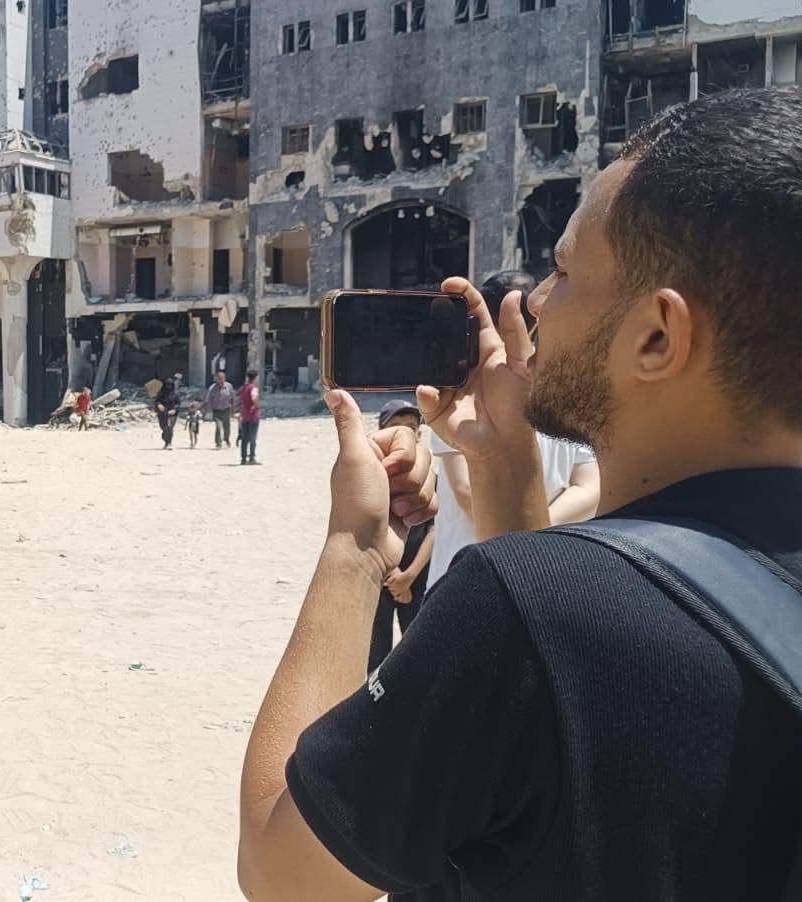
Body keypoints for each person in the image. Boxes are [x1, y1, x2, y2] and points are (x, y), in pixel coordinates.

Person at [239, 88, 802, 900]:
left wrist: (355, 548)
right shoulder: (563, 605)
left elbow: (283, 871)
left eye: (564, 272)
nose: (535, 302)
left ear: (656, 337)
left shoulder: (527, 610)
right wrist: (504, 463)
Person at [424, 272, 601, 589]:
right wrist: (536, 530)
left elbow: (466, 492)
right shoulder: (567, 385)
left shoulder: (461, 390)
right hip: (544, 571)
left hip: (466, 579)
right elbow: (588, 488)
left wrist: (529, 528)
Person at [366, 400, 435, 673]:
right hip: (380, 573)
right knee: (376, 651)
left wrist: (408, 576)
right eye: (396, 427)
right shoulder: (372, 479)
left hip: (417, 575)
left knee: (418, 649)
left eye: (410, 427)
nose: (404, 433)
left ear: (419, 434)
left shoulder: (430, 480)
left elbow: (435, 529)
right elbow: (366, 528)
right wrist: (392, 571)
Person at [203, 371, 237, 449]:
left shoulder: (229, 386)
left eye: (222, 378)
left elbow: (232, 398)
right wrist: (207, 411)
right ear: (216, 379)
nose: (220, 380)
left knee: (227, 427)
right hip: (216, 410)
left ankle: (226, 440)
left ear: (224, 378)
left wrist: (233, 409)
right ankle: (218, 442)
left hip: (226, 410)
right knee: (218, 426)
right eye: (219, 378)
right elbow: (208, 400)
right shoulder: (212, 388)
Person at [238, 370, 261, 465]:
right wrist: (256, 405)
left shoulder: (244, 387)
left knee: (244, 438)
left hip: (245, 415)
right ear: (255, 378)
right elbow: (254, 398)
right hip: (253, 415)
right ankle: (252, 458)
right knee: (252, 437)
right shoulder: (253, 388)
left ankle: (243, 458)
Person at [155, 374, 182, 450]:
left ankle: (169, 443)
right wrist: (159, 405)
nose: (168, 387)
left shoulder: (175, 394)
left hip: (172, 413)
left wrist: (175, 409)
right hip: (162, 413)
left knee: (169, 427)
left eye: (170, 385)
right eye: (167, 385)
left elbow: (178, 403)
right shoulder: (161, 393)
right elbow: (157, 401)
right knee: (164, 428)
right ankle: (165, 440)